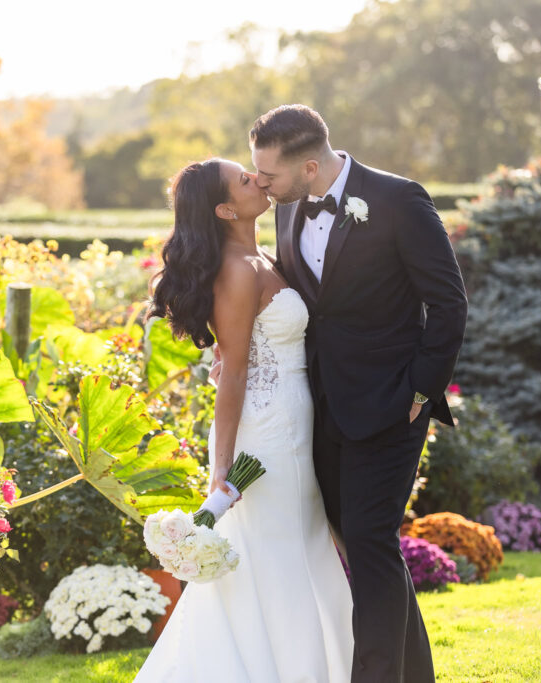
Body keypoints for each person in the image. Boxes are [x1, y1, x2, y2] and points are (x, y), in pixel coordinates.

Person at [249, 104, 468, 683]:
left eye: (268, 175)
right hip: (319, 409)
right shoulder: (287, 210)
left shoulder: (399, 200)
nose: (261, 185)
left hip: (394, 407)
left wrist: (420, 392)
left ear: (311, 168)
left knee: (371, 539)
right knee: (361, 543)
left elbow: (448, 302)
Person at [135, 157, 354, 682]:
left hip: (293, 424)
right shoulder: (237, 270)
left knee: (296, 550)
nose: (258, 179)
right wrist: (222, 467)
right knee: (278, 559)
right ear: (226, 208)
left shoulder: (259, 257)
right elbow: (232, 373)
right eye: (244, 178)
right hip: (266, 436)